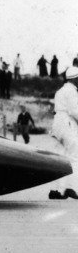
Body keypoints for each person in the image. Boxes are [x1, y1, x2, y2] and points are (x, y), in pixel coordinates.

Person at [49, 66, 78, 199]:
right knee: (74, 156)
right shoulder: (72, 92)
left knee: (59, 158)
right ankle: (71, 188)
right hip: (67, 123)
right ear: (75, 79)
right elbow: (74, 111)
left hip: (57, 124)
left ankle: (55, 189)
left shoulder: (60, 91)